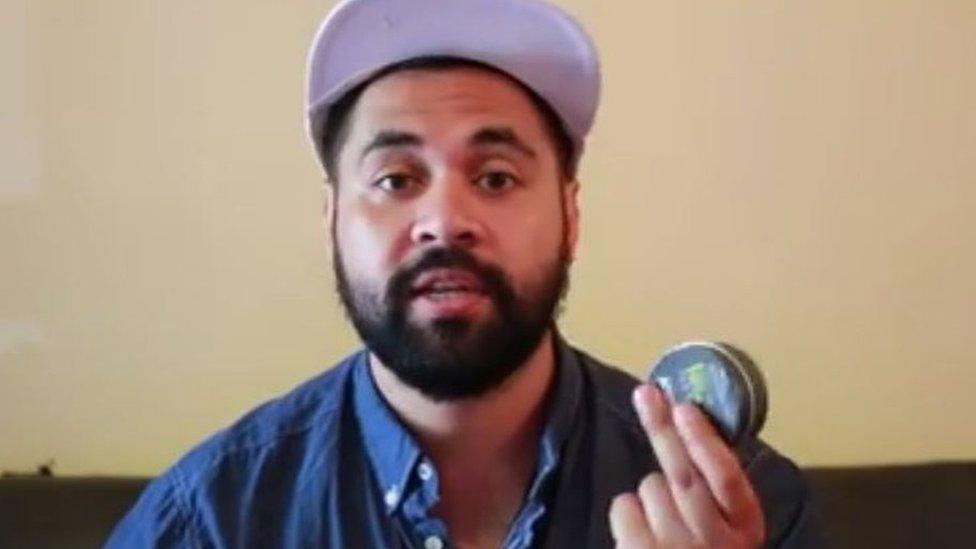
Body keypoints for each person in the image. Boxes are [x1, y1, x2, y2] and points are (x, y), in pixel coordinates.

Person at [107, 0, 821, 547]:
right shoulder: (209, 518)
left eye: (497, 176)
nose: (446, 220)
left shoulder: (741, 504)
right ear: (331, 222)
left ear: (571, 216)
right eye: (395, 178)